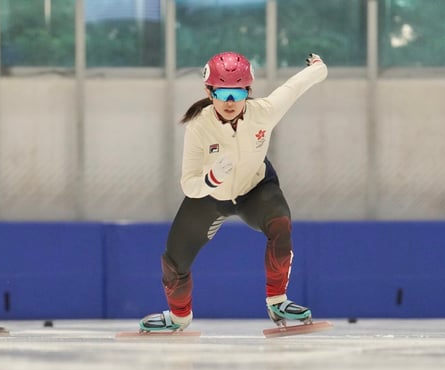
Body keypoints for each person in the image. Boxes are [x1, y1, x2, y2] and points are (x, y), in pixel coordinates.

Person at [140, 51, 327, 332]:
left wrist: (319, 67)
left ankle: (277, 300)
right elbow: (188, 183)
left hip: (256, 190)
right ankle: (179, 317)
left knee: (280, 222)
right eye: (223, 93)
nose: (230, 103)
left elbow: (295, 87)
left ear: (248, 92)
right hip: (210, 196)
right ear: (209, 90)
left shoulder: (263, 112)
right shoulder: (199, 126)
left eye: (237, 95)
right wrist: (211, 180)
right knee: (173, 262)